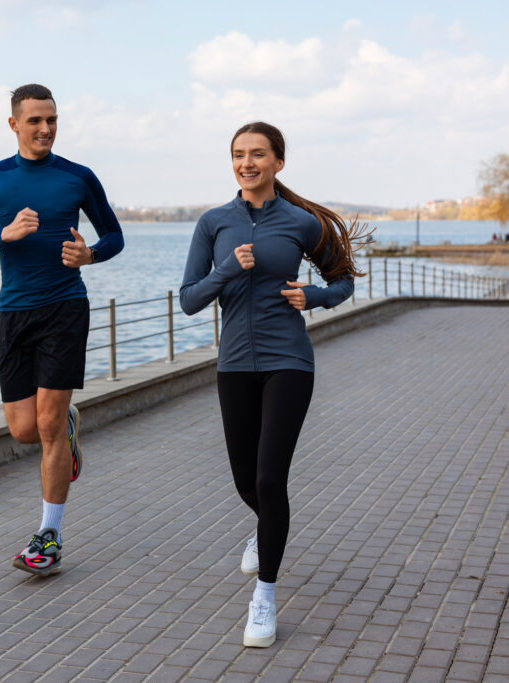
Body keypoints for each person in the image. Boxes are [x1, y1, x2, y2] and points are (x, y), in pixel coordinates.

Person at [180, 121, 370, 647]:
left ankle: (263, 598)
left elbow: (344, 280)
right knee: (245, 480)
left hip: (290, 362)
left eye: (258, 154)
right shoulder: (214, 222)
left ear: (278, 163)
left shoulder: (301, 222)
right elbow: (189, 299)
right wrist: (225, 272)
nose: (247, 163)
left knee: (269, 479)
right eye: (239, 154)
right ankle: (265, 533)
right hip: (235, 364)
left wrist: (314, 298)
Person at [0, 84, 124, 577]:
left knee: (45, 427)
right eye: (35, 121)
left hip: (66, 308)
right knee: (24, 429)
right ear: (14, 125)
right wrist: (0, 236)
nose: (45, 129)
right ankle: (68, 428)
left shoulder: (77, 177)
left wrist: (91, 254)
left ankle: (48, 537)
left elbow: (113, 234)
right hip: (15, 313)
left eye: (52, 120)